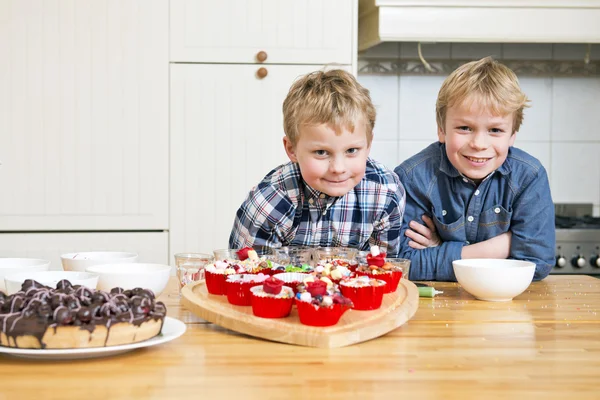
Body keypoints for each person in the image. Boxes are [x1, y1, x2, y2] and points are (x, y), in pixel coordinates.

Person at [394, 57, 555, 281]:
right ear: (442, 130)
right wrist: (501, 247)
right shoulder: (412, 177)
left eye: (495, 130)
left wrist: (440, 249)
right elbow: (402, 264)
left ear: (512, 136)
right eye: (465, 128)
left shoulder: (529, 176)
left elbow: (537, 263)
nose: (479, 143)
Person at [229, 69, 406, 255]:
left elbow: (383, 270)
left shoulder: (387, 195)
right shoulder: (270, 204)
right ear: (292, 149)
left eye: (351, 151)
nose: (338, 168)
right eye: (321, 152)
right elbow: (246, 275)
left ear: (368, 145)